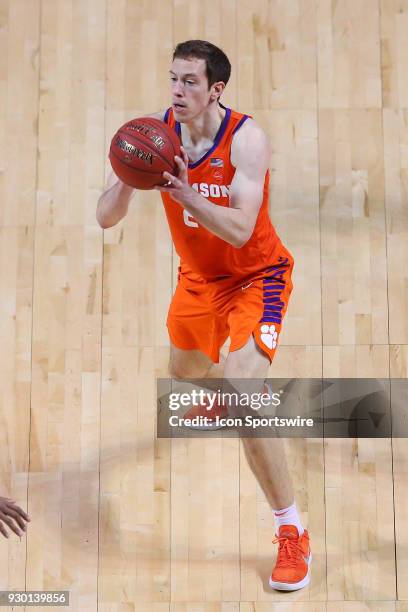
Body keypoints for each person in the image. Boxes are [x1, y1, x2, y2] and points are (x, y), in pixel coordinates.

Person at [97, 39, 311, 591]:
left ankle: (291, 530)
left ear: (217, 89)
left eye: (190, 81)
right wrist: (127, 172)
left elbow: (240, 229)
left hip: (256, 278)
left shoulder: (246, 139)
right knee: (187, 375)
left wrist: (185, 193)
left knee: (242, 396)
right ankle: (245, 392)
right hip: (198, 283)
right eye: (173, 78)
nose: (177, 90)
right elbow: (104, 217)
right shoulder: (155, 137)